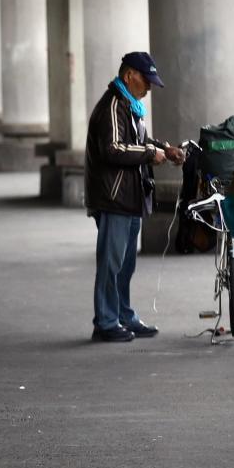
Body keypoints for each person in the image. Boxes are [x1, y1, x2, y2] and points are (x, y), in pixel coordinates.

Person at [84, 52, 185, 342]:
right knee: (111, 262)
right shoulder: (114, 105)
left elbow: (137, 142)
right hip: (114, 197)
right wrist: (151, 154)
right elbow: (113, 149)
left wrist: (165, 149)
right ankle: (105, 321)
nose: (150, 87)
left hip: (129, 197)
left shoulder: (131, 106)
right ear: (130, 76)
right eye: (147, 80)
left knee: (125, 264)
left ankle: (123, 316)